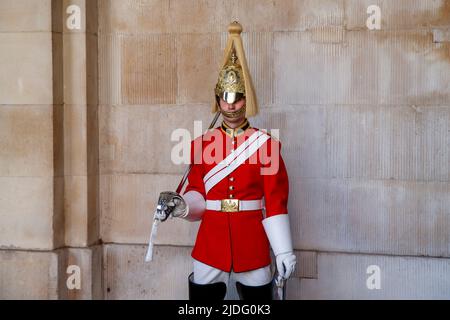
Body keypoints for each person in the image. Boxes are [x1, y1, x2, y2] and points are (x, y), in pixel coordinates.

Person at [155, 21, 296, 300]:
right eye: (225, 99)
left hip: (252, 243)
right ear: (218, 101)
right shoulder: (201, 144)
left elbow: (276, 201)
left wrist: (283, 250)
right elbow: (198, 194)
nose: (230, 106)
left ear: (247, 100)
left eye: (237, 99)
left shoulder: (266, 145)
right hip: (211, 243)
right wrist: (181, 205)